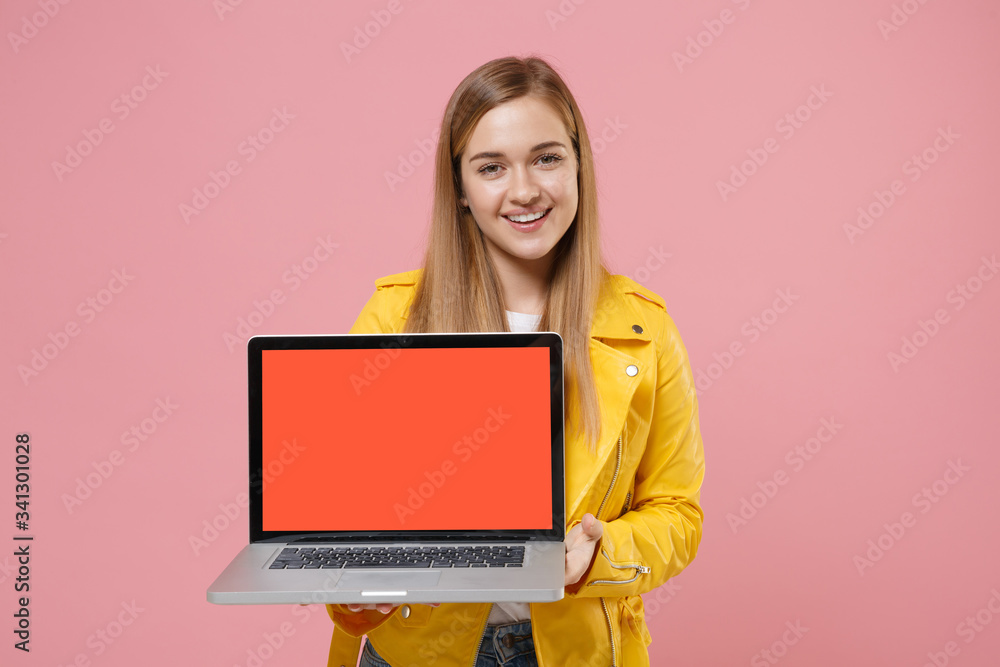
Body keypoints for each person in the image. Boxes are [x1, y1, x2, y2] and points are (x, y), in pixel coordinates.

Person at [325, 55, 705, 667]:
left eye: (547, 157)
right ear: (462, 191)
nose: (524, 189)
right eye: (492, 167)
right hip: (418, 651)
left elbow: (678, 511)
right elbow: (344, 505)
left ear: (579, 165)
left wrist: (602, 552)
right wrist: (356, 593)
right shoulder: (393, 319)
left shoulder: (644, 329)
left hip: (575, 650)